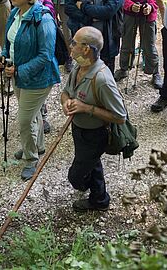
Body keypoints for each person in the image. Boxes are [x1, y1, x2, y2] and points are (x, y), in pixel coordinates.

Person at [0, 0, 61, 180]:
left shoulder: (43, 19)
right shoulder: (16, 13)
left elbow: (46, 55)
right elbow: (9, 41)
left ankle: (32, 159)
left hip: (39, 78)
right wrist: (4, 57)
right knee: (32, 114)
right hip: (18, 74)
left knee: (24, 119)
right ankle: (38, 146)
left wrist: (18, 70)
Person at [61, 26, 127, 212]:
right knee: (92, 163)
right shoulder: (79, 67)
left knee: (76, 177)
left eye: (74, 43)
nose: (70, 46)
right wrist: (66, 102)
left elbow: (120, 116)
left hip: (95, 134)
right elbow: (65, 93)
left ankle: (94, 196)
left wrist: (86, 108)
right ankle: (100, 199)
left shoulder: (102, 80)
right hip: (79, 129)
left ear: (86, 49)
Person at [115, 0, 164, 90]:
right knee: (127, 42)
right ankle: (124, 68)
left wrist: (151, 6)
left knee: (149, 44)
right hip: (130, 14)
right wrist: (130, 5)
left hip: (148, 14)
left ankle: (154, 71)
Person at [25, 0, 56, 133]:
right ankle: (33, 117)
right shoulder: (26, 4)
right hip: (27, 53)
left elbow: (47, 43)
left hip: (38, 55)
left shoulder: (46, 7)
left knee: (38, 87)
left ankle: (41, 118)